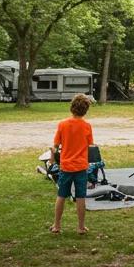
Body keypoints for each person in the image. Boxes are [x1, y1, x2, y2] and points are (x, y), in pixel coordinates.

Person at [50, 93, 94, 235]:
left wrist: (52, 156)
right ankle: (81, 227)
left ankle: (57, 225)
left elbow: (56, 145)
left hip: (66, 167)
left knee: (61, 195)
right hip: (81, 167)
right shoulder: (87, 126)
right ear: (86, 110)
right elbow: (90, 145)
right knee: (80, 197)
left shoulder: (62, 125)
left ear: (71, 108)